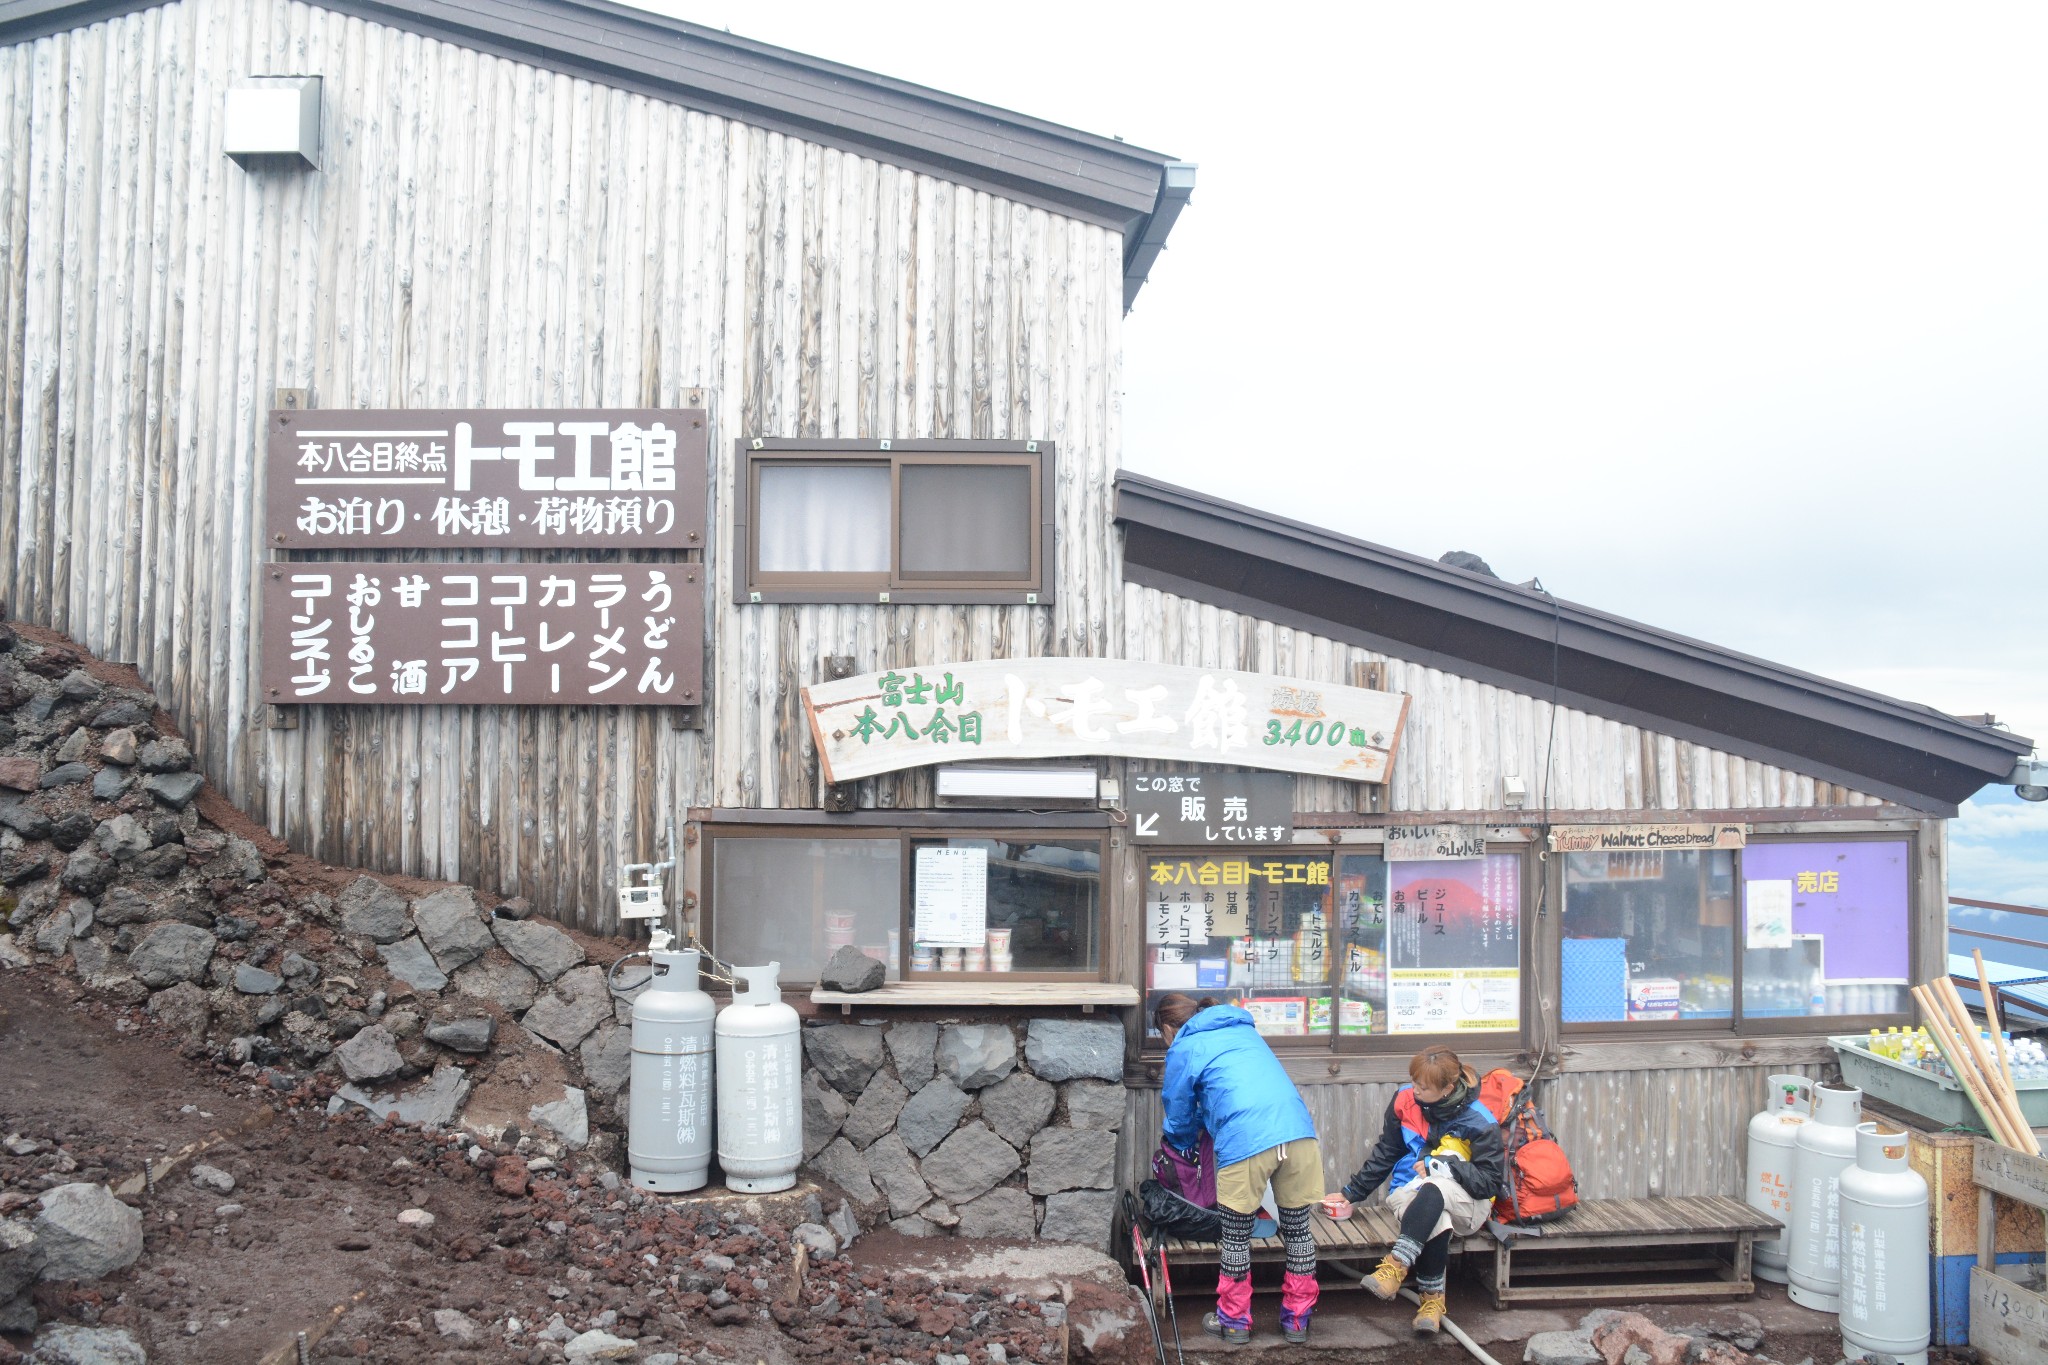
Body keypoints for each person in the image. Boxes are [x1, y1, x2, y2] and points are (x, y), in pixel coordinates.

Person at [1157, 993, 1323, 1346]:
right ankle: (1297, 1320)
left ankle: (1234, 1321)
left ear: (1169, 1028)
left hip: (1246, 1139)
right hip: (1297, 1132)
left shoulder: (1185, 1046)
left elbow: (1179, 1110)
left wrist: (1183, 1144)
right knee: (1298, 1230)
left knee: (1235, 1235)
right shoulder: (1244, 1031)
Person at [1321, 1045, 1503, 1335]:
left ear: (1448, 1088)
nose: (1414, 1091)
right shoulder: (1404, 1100)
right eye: (1414, 1082)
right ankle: (1431, 1305)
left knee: (1435, 1184)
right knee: (1436, 1216)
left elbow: (1490, 1182)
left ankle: (1397, 1264)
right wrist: (1352, 1192)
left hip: (1468, 1202)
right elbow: (1387, 1151)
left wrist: (1446, 1167)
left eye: (1423, 1087)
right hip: (1410, 1191)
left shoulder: (1478, 1121)